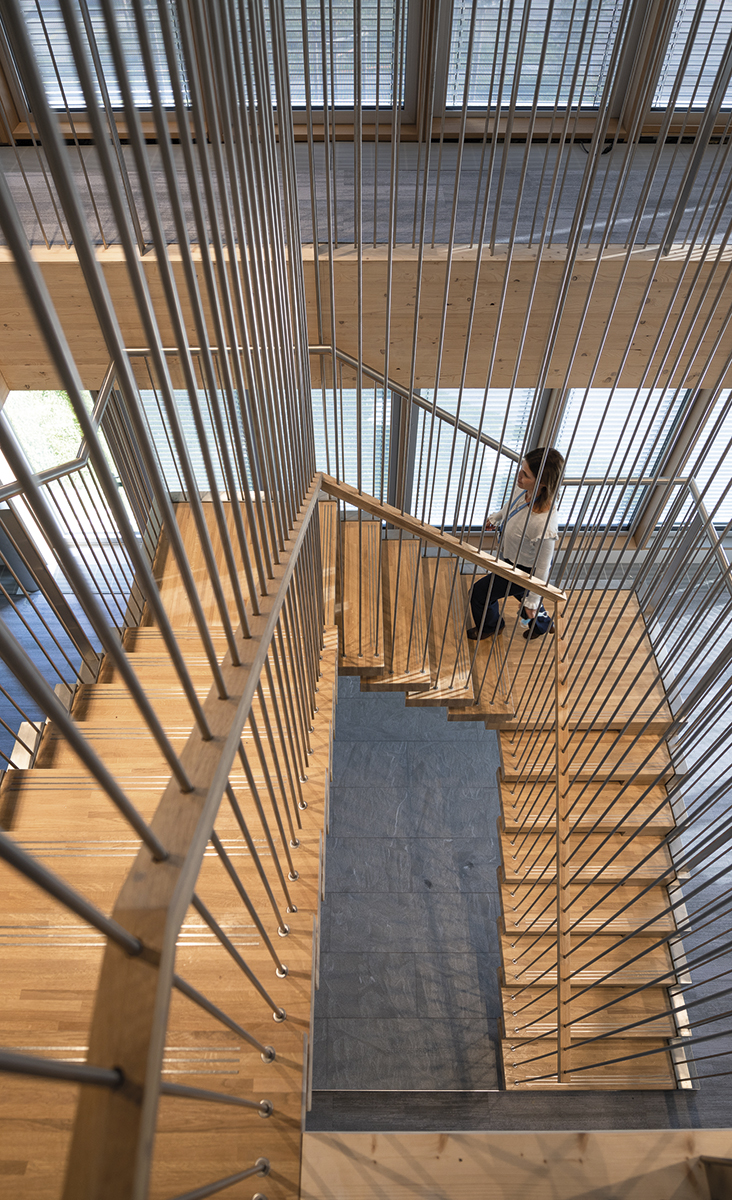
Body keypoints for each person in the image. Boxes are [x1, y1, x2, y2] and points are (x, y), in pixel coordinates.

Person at [467, 447, 564, 642]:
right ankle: (543, 623)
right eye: (522, 469)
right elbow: (512, 505)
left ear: (543, 483)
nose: (519, 476)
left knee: (480, 593)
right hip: (510, 557)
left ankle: (491, 627)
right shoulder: (524, 488)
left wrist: (535, 599)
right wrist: (498, 517)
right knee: (522, 595)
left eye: (526, 474)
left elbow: (544, 568)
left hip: (522, 569)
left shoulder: (544, 525)